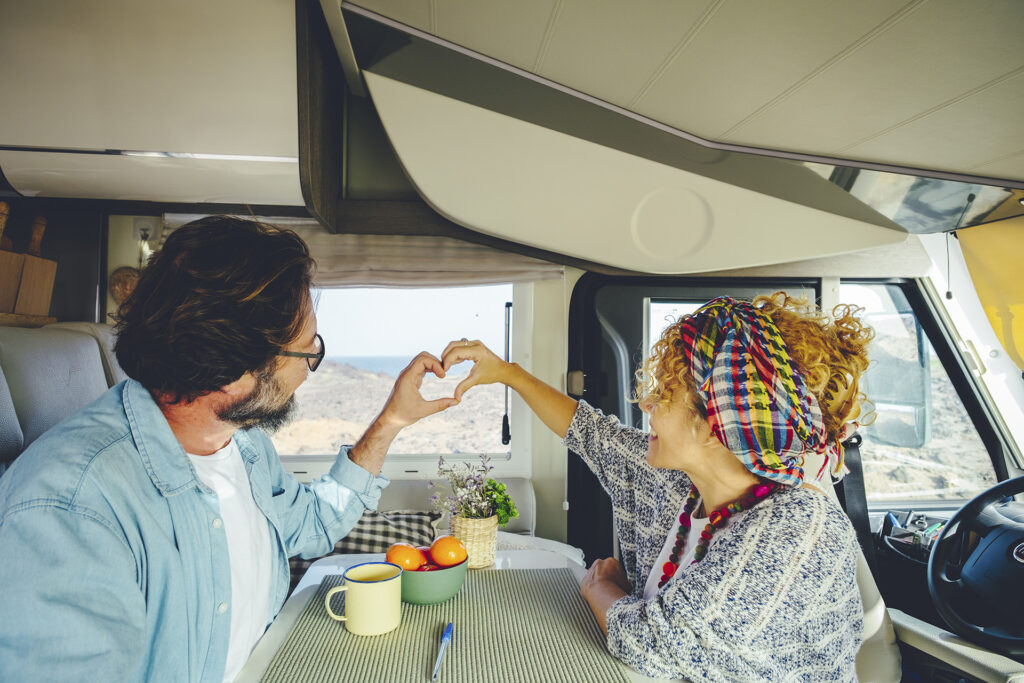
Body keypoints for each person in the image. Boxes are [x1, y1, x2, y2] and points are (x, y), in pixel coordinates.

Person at [0, 216, 457, 681]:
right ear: (230, 370)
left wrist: (392, 420)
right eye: (306, 352)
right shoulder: (69, 510)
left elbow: (315, 524)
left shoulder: (243, 443)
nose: (310, 368)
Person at [441, 293, 873, 680]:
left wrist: (599, 588)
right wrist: (507, 373)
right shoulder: (676, 483)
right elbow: (587, 429)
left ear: (713, 425)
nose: (646, 403)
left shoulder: (797, 530)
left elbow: (656, 640)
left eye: (665, 393)